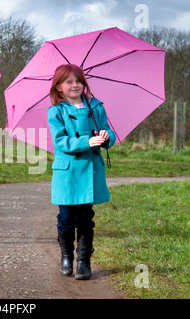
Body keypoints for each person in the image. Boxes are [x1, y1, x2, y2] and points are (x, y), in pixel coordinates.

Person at [47, 64, 116, 280]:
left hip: (90, 171)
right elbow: (60, 141)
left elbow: (109, 132)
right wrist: (87, 141)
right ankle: (66, 256)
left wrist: (106, 137)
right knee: (66, 217)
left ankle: (83, 261)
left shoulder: (96, 107)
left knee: (86, 217)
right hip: (67, 172)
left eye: (78, 80)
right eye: (68, 82)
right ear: (59, 87)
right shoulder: (56, 111)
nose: (75, 85)